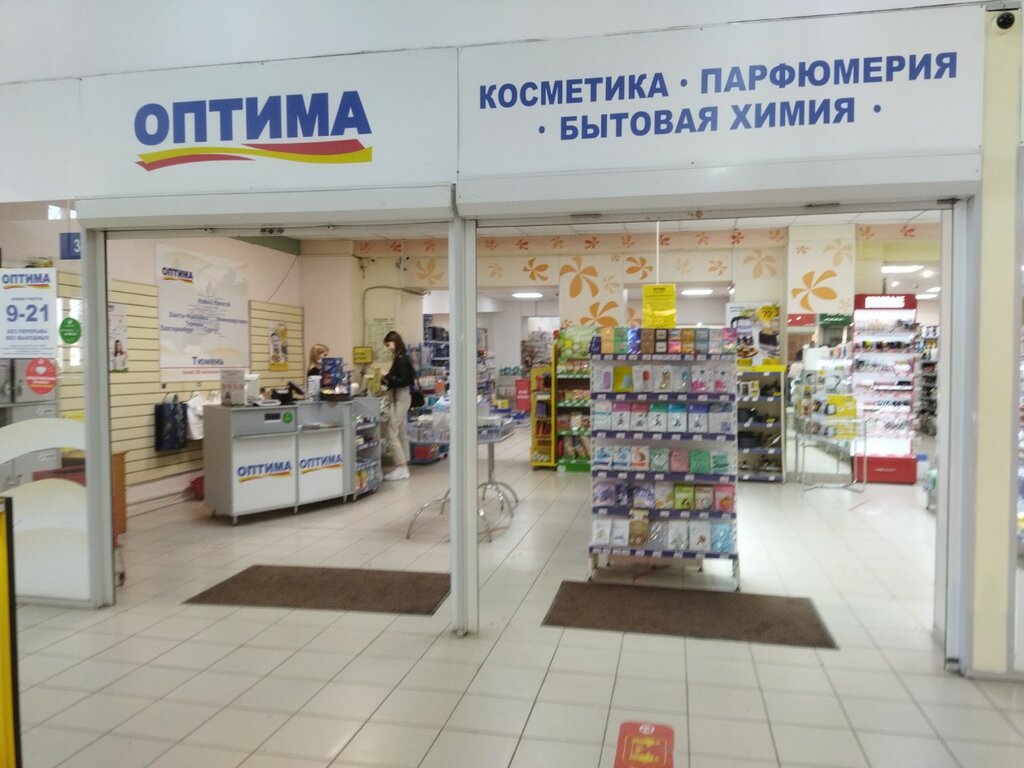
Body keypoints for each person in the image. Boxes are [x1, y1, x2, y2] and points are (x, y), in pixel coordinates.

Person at [381, 330, 415, 481]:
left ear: (395, 342)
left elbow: (404, 381)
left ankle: (401, 467)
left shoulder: (401, 359)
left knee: (391, 433)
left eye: (388, 344)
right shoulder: (401, 357)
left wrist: (386, 376)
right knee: (400, 432)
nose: (388, 348)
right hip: (401, 397)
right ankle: (404, 466)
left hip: (400, 398)